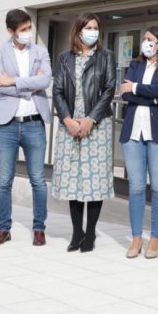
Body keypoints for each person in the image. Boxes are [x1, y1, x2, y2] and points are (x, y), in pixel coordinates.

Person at [51, 13, 116, 253]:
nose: (92, 31)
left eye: (95, 27)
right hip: (69, 124)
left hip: (96, 125)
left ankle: (90, 234)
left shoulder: (106, 56)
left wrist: (91, 118)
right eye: (88, 27)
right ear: (77, 30)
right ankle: (76, 232)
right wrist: (67, 119)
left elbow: (109, 89)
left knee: (94, 181)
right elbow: (57, 90)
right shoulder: (65, 58)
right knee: (73, 181)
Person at [0, 9, 53, 246]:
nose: (28, 33)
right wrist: (30, 83)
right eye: (23, 30)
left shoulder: (40, 51)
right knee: (4, 180)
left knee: (38, 179)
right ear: (10, 31)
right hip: (6, 125)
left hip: (34, 123)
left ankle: (39, 228)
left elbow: (45, 80)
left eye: (29, 28)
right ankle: (3, 228)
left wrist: (13, 80)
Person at [119, 26, 158, 259]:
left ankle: (154, 239)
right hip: (133, 132)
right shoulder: (134, 65)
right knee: (135, 187)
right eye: (144, 39)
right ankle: (136, 238)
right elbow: (124, 95)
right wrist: (150, 95)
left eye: (149, 39)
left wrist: (136, 88)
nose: (145, 43)